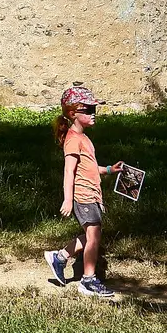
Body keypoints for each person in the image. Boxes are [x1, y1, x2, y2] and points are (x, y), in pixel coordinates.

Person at [43, 83, 121, 298]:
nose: (94, 114)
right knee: (94, 236)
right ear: (72, 113)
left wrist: (108, 169)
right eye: (88, 110)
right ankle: (88, 281)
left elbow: (88, 168)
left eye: (94, 109)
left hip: (93, 194)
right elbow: (69, 172)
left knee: (91, 236)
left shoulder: (84, 138)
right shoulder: (72, 140)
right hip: (83, 196)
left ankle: (59, 257)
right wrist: (68, 199)